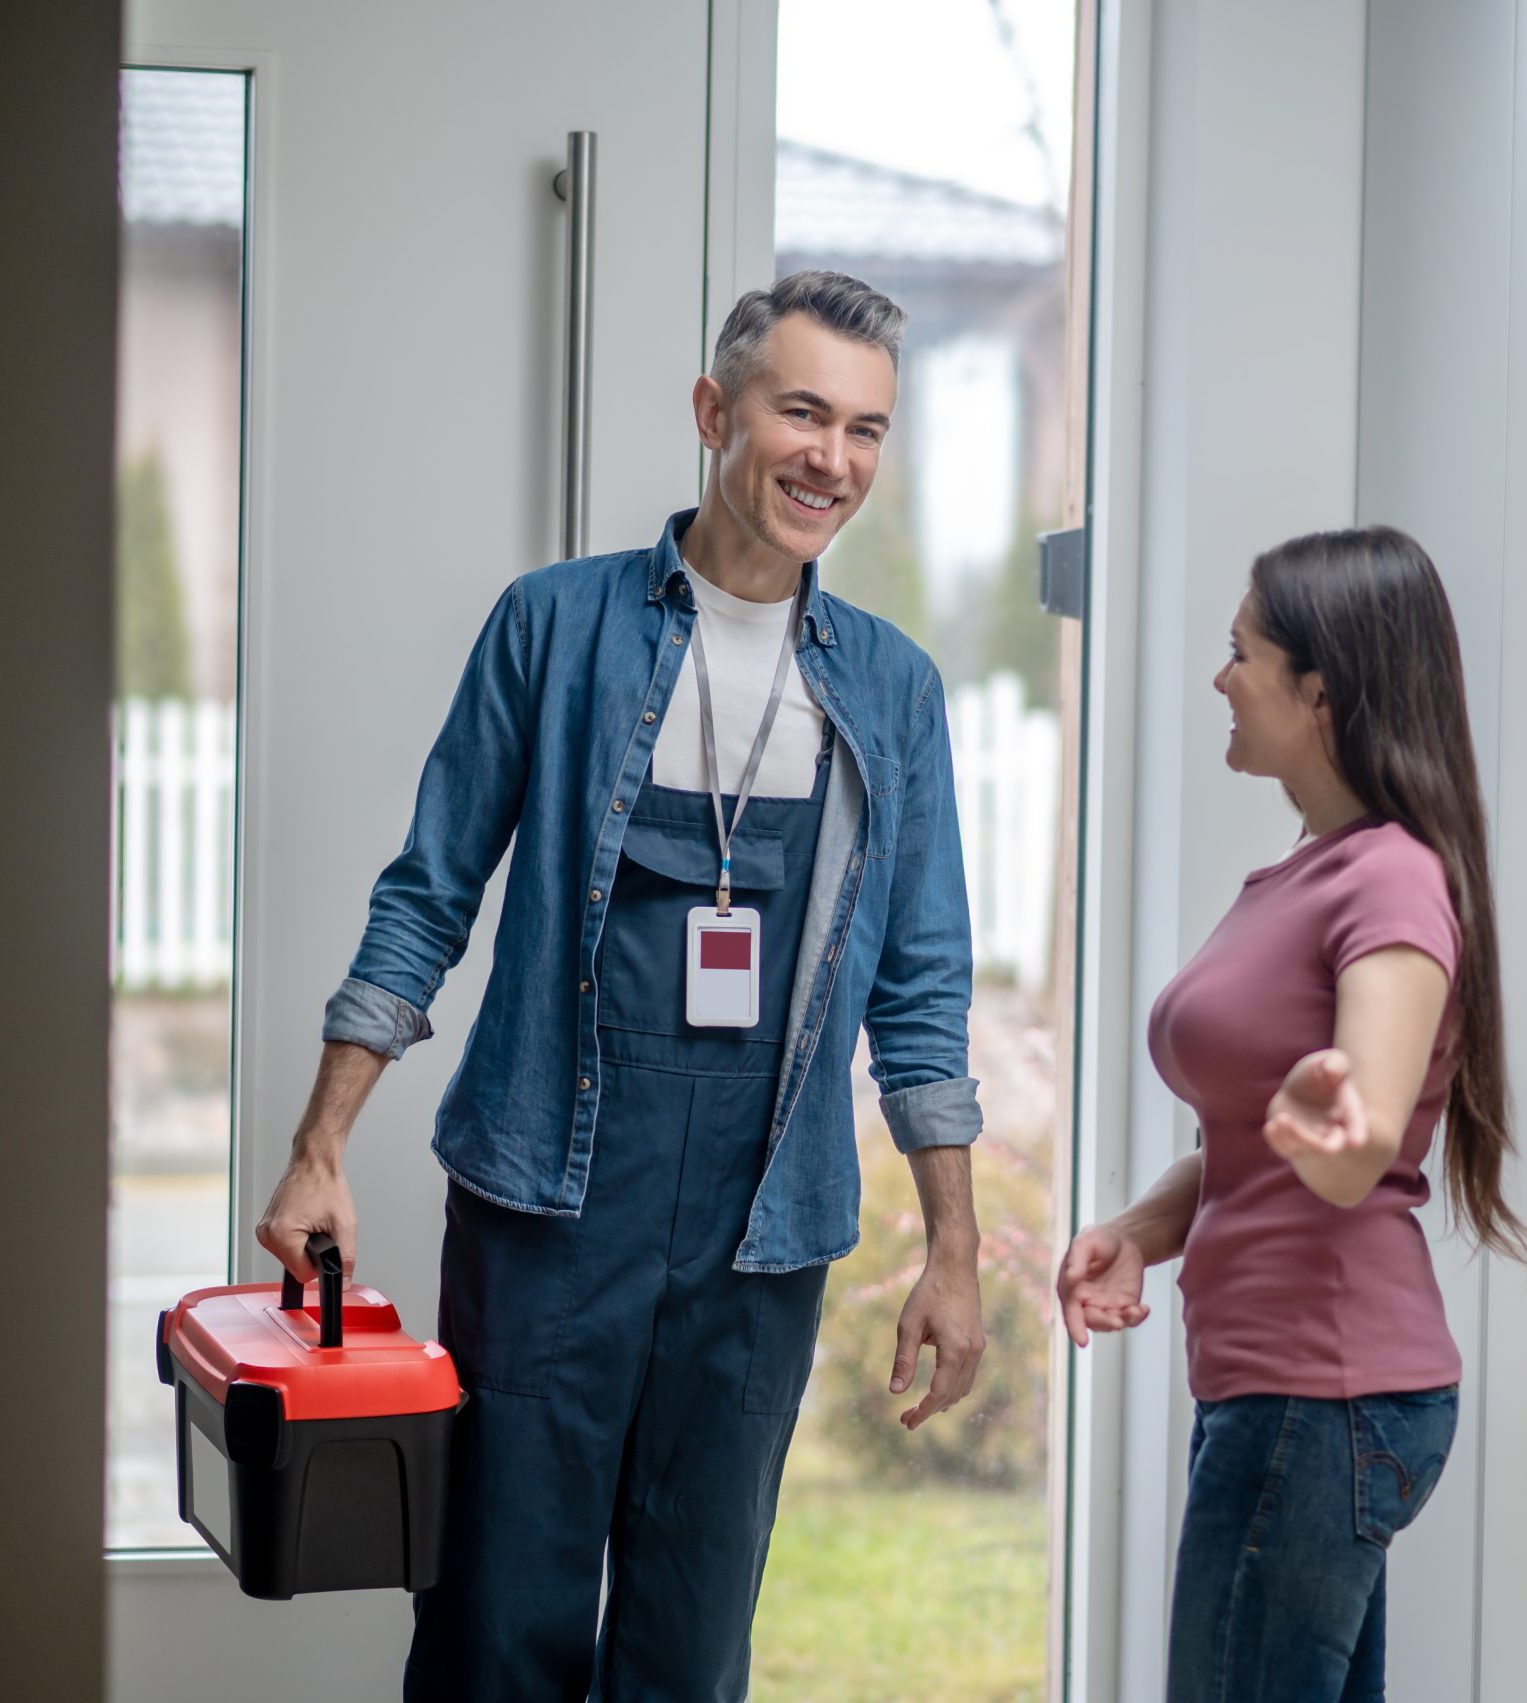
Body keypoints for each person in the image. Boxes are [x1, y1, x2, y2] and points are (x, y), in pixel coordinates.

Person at [254, 270, 989, 1702]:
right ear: (714, 411)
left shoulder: (893, 690)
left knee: (689, 1648)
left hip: (762, 1235)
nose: (832, 457)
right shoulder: (554, 627)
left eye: (867, 428)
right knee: (494, 1629)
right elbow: (428, 893)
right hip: (547, 1207)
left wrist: (953, 1250)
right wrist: (319, 1143)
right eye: (800, 411)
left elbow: (922, 984)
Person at [1056, 527, 1527, 1702]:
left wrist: (1338, 1126)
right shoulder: (1314, 870)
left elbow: (1355, 1134)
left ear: (1320, 690)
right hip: (1286, 1392)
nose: (1220, 677)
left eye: (1241, 652)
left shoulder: (1390, 878)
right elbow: (1258, 1139)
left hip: (1321, 1393)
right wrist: (1138, 1227)